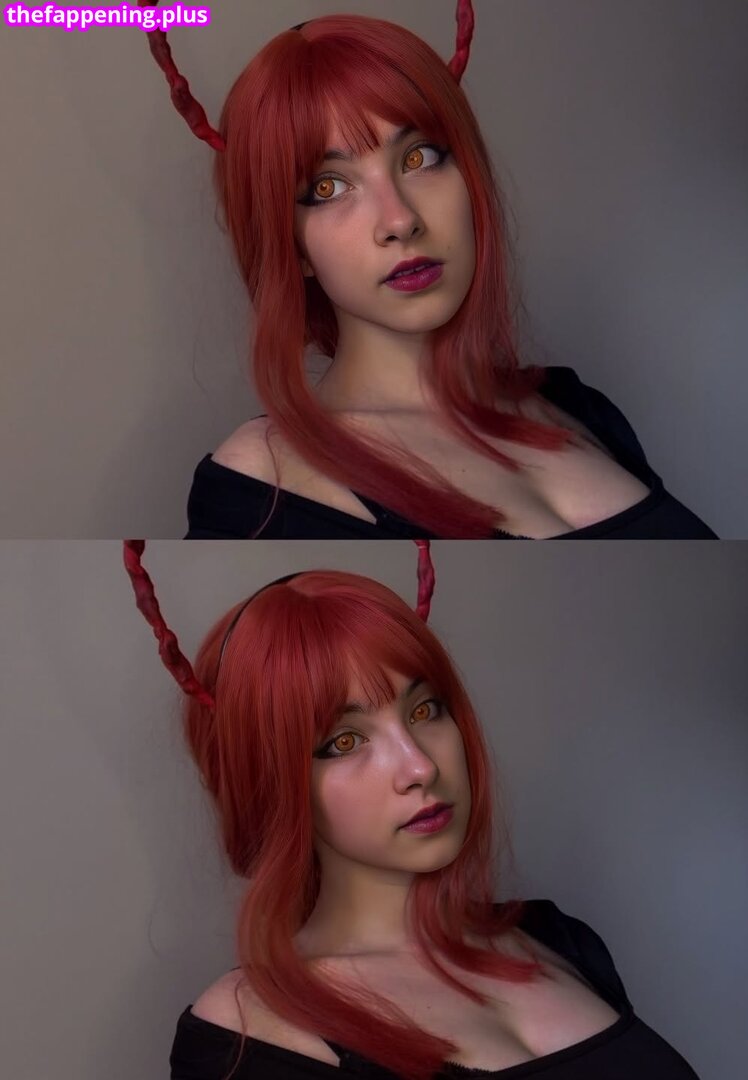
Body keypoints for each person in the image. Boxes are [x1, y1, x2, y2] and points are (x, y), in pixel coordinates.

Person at [122, 541, 702, 1079]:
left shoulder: (559, 941)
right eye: (345, 741)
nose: (420, 766)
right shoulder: (245, 1034)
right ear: (269, 781)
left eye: (424, 711)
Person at [139, 3, 717, 539]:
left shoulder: (579, 406)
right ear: (291, 247)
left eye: (418, 158)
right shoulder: (260, 480)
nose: (400, 220)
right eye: (329, 187)